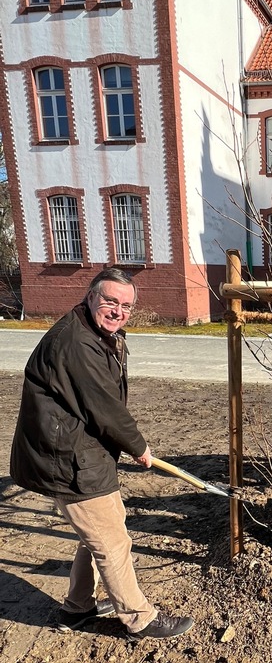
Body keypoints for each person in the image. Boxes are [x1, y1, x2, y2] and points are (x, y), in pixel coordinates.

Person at [10, 268, 194, 641]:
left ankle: (77, 608)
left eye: (126, 305)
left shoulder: (96, 334)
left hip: (85, 450)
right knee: (112, 542)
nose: (118, 311)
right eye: (110, 301)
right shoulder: (76, 343)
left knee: (98, 532)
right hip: (69, 459)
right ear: (91, 296)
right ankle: (139, 618)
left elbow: (101, 407)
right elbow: (105, 407)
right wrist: (139, 447)